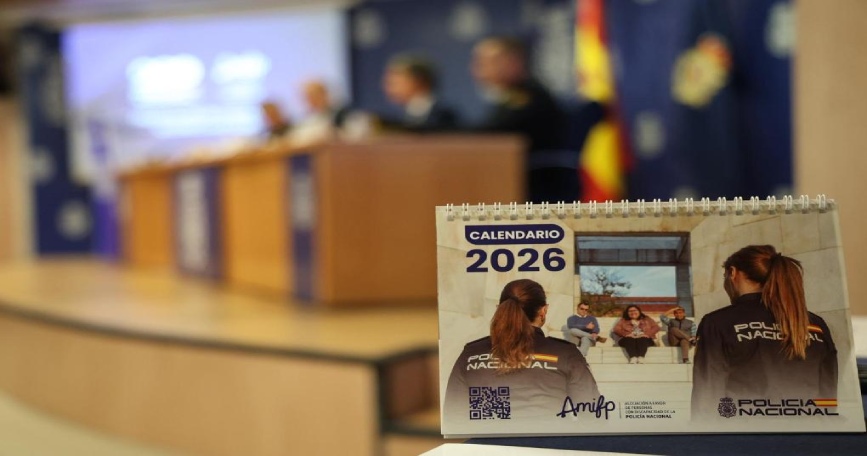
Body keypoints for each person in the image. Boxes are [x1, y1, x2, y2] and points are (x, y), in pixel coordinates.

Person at [691, 245, 838, 420]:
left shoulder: (718, 322)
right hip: (808, 433)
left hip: (746, 434)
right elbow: (828, 395)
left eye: (725, 277)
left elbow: (708, 396)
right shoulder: (815, 324)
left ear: (733, 273)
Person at [444, 279, 599, 420]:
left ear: (499, 309)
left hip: (488, 446)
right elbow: (593, 416)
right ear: (543, 311)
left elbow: (453, 416)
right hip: (547, 445)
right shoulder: (566, 353)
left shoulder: (472, 353)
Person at [470, 36, 577, 203]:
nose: (477, 70)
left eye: (486, 63)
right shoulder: (509, 97)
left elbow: (493, 132)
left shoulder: (531, 98)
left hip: (539, 192)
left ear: (513, 63)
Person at [380, 54, 457, 132]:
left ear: (418, 81)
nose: (388, 88)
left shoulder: (444, 116)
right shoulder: (407, 115)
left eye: (395, 83)